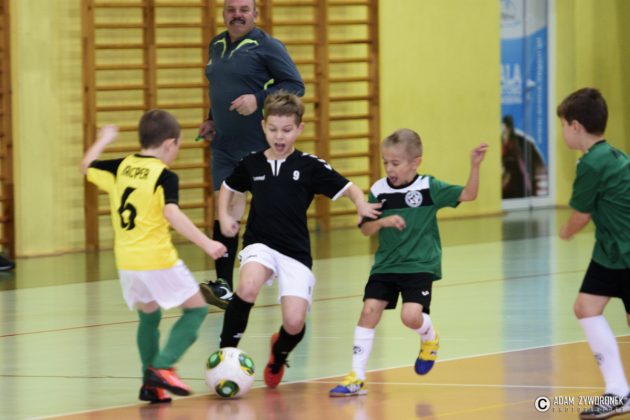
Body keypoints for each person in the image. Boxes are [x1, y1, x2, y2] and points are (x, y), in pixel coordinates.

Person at [216, 91, 382, 389]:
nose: (279, 136)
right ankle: (225, 354)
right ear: (263, 126)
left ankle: (278, 354)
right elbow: (228, 186)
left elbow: (348, 188)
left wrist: (360, 204)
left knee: (294, 323)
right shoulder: (251, 163)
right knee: (248, 285)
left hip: (295, 251)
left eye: (287, 130)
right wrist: (224, 216)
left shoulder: (309, 165)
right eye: (273, 129)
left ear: (299, 129)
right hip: (259, 244)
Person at [81, 110, 227, 404]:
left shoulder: (122, 166)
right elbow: (171, 213)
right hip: (157, 259)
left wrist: (104, 140)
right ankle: (161, 367)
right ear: (170, 143)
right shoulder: (164, 176)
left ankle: (150, 385)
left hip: (127, 262)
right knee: (196, 310)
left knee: (149, 315)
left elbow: (86, 166)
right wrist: (207, 243)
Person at [329, 128, 488, 397]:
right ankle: (357, 377)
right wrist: (383, 222)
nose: (389, 168)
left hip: (419, 265)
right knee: (369, 311)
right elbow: (366, 229)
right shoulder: (379, 190)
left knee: (410, 317)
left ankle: (429, 337)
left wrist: (474, 166)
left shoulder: (429, 187)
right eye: (386, 162)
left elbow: (468, 195)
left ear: (416, 162)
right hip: (386, 265)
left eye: (396, 163)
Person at [198, 0, 305, 310]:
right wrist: (211, 119)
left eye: (244, 9)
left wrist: (258, 99)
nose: (237, 15)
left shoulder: (267, 46)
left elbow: (295, 85)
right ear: (224, 13)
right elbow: (220, 88)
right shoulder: (216, 45)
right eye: (231, 9)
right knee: (225, 211)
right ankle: (223, 285)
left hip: (257, 146)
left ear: (255, 14)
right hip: (224, 145)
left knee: (271, 215)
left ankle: (291, 278)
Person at [557, 87, 630, 419]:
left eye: (562, 125)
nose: (562, 132)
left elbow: (581, 214)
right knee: (586, 307)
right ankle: (618, 392)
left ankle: (618, 392)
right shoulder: (613, 154)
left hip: (623, 252)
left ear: (576, 126)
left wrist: (566, 231)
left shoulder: (592, 163)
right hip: (610, 252)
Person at [501, 115, 548, 198]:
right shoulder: (498, 146)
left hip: (522, 193)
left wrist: (540, 198)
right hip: (505, 194)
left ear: (509, 129)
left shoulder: (523, 144)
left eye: (504, 132)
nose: (502, 137)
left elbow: (540, 173)